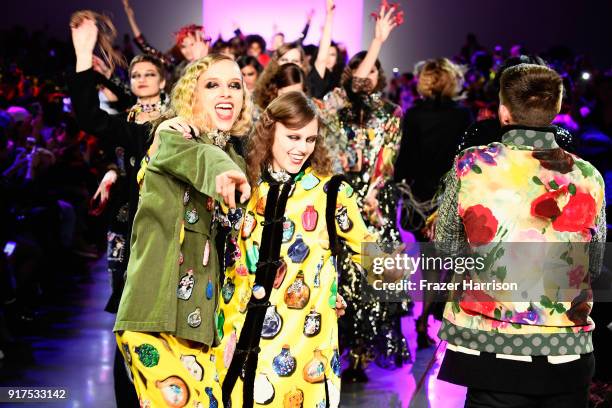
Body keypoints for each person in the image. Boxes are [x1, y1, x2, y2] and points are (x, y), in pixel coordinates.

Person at [435, 64, 606, 407]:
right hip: (567, 353)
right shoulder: (589, 176)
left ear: (503, 111)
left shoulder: (471, 167)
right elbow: (595, 264)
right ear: (557, 108)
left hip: (492, 350)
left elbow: (446, 247)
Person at [113, 53, 253, 407]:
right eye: (213, 85)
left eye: (235, 85)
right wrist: (224, 173)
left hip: (203, 328)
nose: (227, 93)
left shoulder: (236, 156)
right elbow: (202, 159)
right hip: (156, 323)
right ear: (191, 96)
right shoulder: (175, 136)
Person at [217, 91, 371, 408]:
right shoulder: (245, 184)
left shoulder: (332, 192)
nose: (302, 148)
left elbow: (370, 254)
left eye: (310, 139)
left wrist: (341, 294)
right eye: (293, 137)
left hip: (303, 346)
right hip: (237, 333)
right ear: (270, 130)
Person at [68, 14, 168, 406]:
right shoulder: (126, 121)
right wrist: (82, 56)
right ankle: (129, 397)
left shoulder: (176, 122)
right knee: (126, 315)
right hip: (127, 224)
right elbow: (92, 119)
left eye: (149, 75)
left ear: (163, 82)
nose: (142, 79)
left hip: (168, 225)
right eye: (137, 75)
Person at [322, 4, 409, 379]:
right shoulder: (337, 107)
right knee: (340, 279)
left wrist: (372, 193)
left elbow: (388, 157)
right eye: (363, 68)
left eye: (374, 68)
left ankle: (362, 355)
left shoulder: (391, 112)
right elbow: (352, 88)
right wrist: (375, 43)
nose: (368, 75)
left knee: (373, 283)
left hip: (375, 201)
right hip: (338, 197)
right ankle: (338, 351)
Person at [393, 58, 472, 349]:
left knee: (429, 263)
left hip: (420, 196)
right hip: (451, 195)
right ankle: (430, 315)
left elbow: (405, 160)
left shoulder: (413, 115)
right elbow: (466, 160)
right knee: (445, 261)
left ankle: (425, 317)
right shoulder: (463, 116)